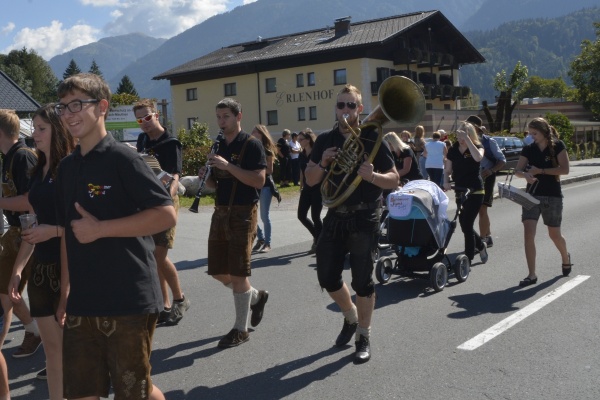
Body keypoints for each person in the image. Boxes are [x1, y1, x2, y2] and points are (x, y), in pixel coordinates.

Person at [54, 73, 175, 400]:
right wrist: (66, 293)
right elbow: (68, 233)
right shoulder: (67, 168)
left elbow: (166, 213)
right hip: (83, 302)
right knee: (80, 393)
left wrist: (102, 229)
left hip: (128, 300)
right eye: (62, 107)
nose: (68, 114)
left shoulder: (124, 158)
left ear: (102, 107)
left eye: (77, 104)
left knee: (135, 392)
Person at [305, 84, 399, 364]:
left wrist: (372, 177)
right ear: (336, 108)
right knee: (327, 277)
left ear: (360, 109)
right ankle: (350, 316)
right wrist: (322, 162)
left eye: (350, 105)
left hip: (364, 215)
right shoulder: (325, 139)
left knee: (362, 281)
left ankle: (363, 334)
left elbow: (394, 179)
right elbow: (310, 180)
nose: (345, 110)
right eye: (340, 105)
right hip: (335, 214)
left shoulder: (373, 139)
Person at [9, 103, 75, 399]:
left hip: (69, 269)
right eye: (33, 128)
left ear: (58, 130)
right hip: (40, 271)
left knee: (74, 354)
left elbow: (83, 227)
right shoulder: (38, 169)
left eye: (41, 128)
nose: (34, 134)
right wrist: (18, 270)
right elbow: (32, 226)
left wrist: (53, 231)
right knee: (52, 352)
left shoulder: (71, 168)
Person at [198, 98, 269, 348]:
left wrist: (229, 165)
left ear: (239, 117)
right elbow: (214, 185)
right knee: (217, 270)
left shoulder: (251, 145)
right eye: (218, 117)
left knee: (239, 272)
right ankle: (256, 296)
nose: (221, 121)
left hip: (243, 212)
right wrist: (206, 177)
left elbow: (258, 181)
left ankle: (241, 329)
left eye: (226, 116)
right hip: (221, 211)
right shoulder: (217, 145)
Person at [134, 99, 190, 326]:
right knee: (152, 255)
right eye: (140, 119)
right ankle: (164, 306)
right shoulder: (142, 140)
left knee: (159, 255)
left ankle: (179, 299)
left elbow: (176, 175)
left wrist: (170, 194)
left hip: (166, 201)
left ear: (156, 115)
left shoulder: (171, 142)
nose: (144, 123)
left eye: (147, 117)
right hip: (147, 201)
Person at [0, 109, 42, 358]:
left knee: (40, 297)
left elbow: (29, 201)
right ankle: (33, 330)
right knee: (5, 292)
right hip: (16, 232)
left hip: (31, 233)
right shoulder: (10, 156)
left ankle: (54, 350)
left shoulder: (23, 156)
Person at [514, 117, 572, 287]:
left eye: (534, 133)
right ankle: (531, 274)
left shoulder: (558, 146)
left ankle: (565, 256)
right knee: (528, 233)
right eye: (530, 133)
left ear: (544, 132)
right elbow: (518, 170)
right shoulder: (528, 148)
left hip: (552, 195)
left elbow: (565, 169)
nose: (531, 136)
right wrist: (524, 175)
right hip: (531, 196)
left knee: (554, 234)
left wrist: (540, 171)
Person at [443, 122, 488, 264]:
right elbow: (448, 169)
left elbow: (478, 158)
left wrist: (468, 141)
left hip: (475, 190)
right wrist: (446, 181)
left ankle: (468, 257)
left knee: (467, 223)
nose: (460, 139)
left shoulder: (478, 147)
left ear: (470, 135)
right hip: (461, 190)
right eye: (459, 136)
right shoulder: (453, 150)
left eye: (464, 135)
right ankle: (480, 245)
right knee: (463, 223)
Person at [465, 115, 506, 248]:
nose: (465, 129)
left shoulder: (488, 142)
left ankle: (483, 239)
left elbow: (502, 160)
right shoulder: (463, 142)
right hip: (470, 178)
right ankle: (487, 236)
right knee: (471, 210)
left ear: (476, 128)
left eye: (468, 126)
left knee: (482, 209)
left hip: (486, 177)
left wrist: (491, 170)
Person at [251, 124, 277, 254]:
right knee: (251, 214)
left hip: (265, 185)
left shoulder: (267, 151)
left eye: (255, 131)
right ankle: (260, 238)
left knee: (264, 216)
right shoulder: (252, 149)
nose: (252, 133)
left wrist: (257, 170)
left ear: (261, 134)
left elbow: (270, 170)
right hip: (253, 185)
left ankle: (267, 242)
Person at [297, 128, 322, 254]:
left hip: (317, 188)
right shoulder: (302, 154)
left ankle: (319, 242)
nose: (298, 141)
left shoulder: (316, 153)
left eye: (301, 139)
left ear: (308, 140)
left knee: (315, 217)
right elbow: (302, 171)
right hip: (306, 189)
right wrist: (301, 185)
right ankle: (319, 238)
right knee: (301, 215)